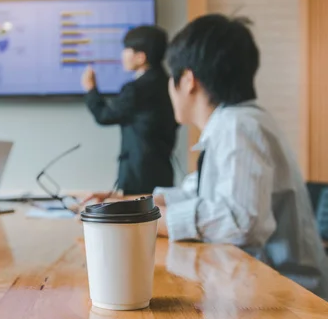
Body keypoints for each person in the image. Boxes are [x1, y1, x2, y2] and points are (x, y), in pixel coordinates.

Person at [90, 15, 328, 297]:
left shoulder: (238, 126)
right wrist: (117, 204)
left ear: (188, 80)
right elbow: (195, 193)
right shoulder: (233, 123)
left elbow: (240, 221)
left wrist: (143, 220)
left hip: (290, 303)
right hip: (263, 291)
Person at [81, 25, 178, 195]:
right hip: (163, 169)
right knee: (157, 218)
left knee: (135, 218)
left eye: (127, 49)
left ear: (141, 57)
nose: (123, 54)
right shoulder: (169, 84)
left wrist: (91, 90)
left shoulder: (136, 89)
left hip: (138, 172)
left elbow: (104, 116)